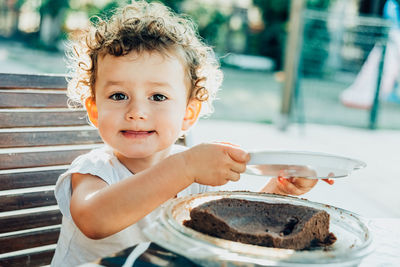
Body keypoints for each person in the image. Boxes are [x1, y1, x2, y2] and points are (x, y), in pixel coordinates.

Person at [51, 1, 332, 266]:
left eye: (158, 97)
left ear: (188, 113)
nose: (137, 111)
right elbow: (94, 220)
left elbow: (228, 232)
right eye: (118, 95)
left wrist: (280, 191)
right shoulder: (95, 170)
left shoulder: (193, 178)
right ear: (95, 110)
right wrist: (184, 168)